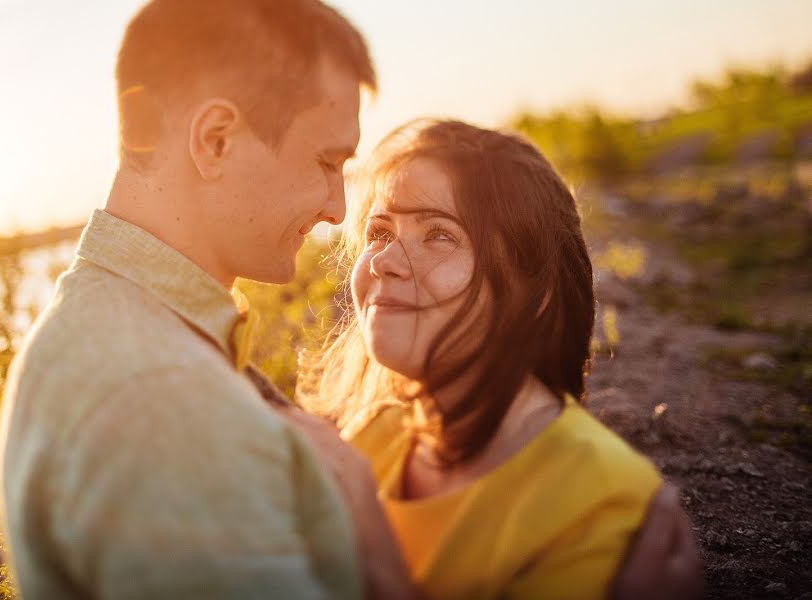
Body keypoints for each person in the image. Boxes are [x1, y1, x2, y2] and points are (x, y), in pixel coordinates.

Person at [0, 1, 416, 598]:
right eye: (327, 162)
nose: (336, 208)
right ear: (216, 140)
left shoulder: (108, 328)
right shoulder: (161, 398)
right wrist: (379, 556)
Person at [297, 119, 704, 599]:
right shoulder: (377, 437)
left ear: (536, 292)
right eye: (380, 232)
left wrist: (368, 538)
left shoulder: (596, 500)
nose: (384, 259)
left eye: (439, 235)